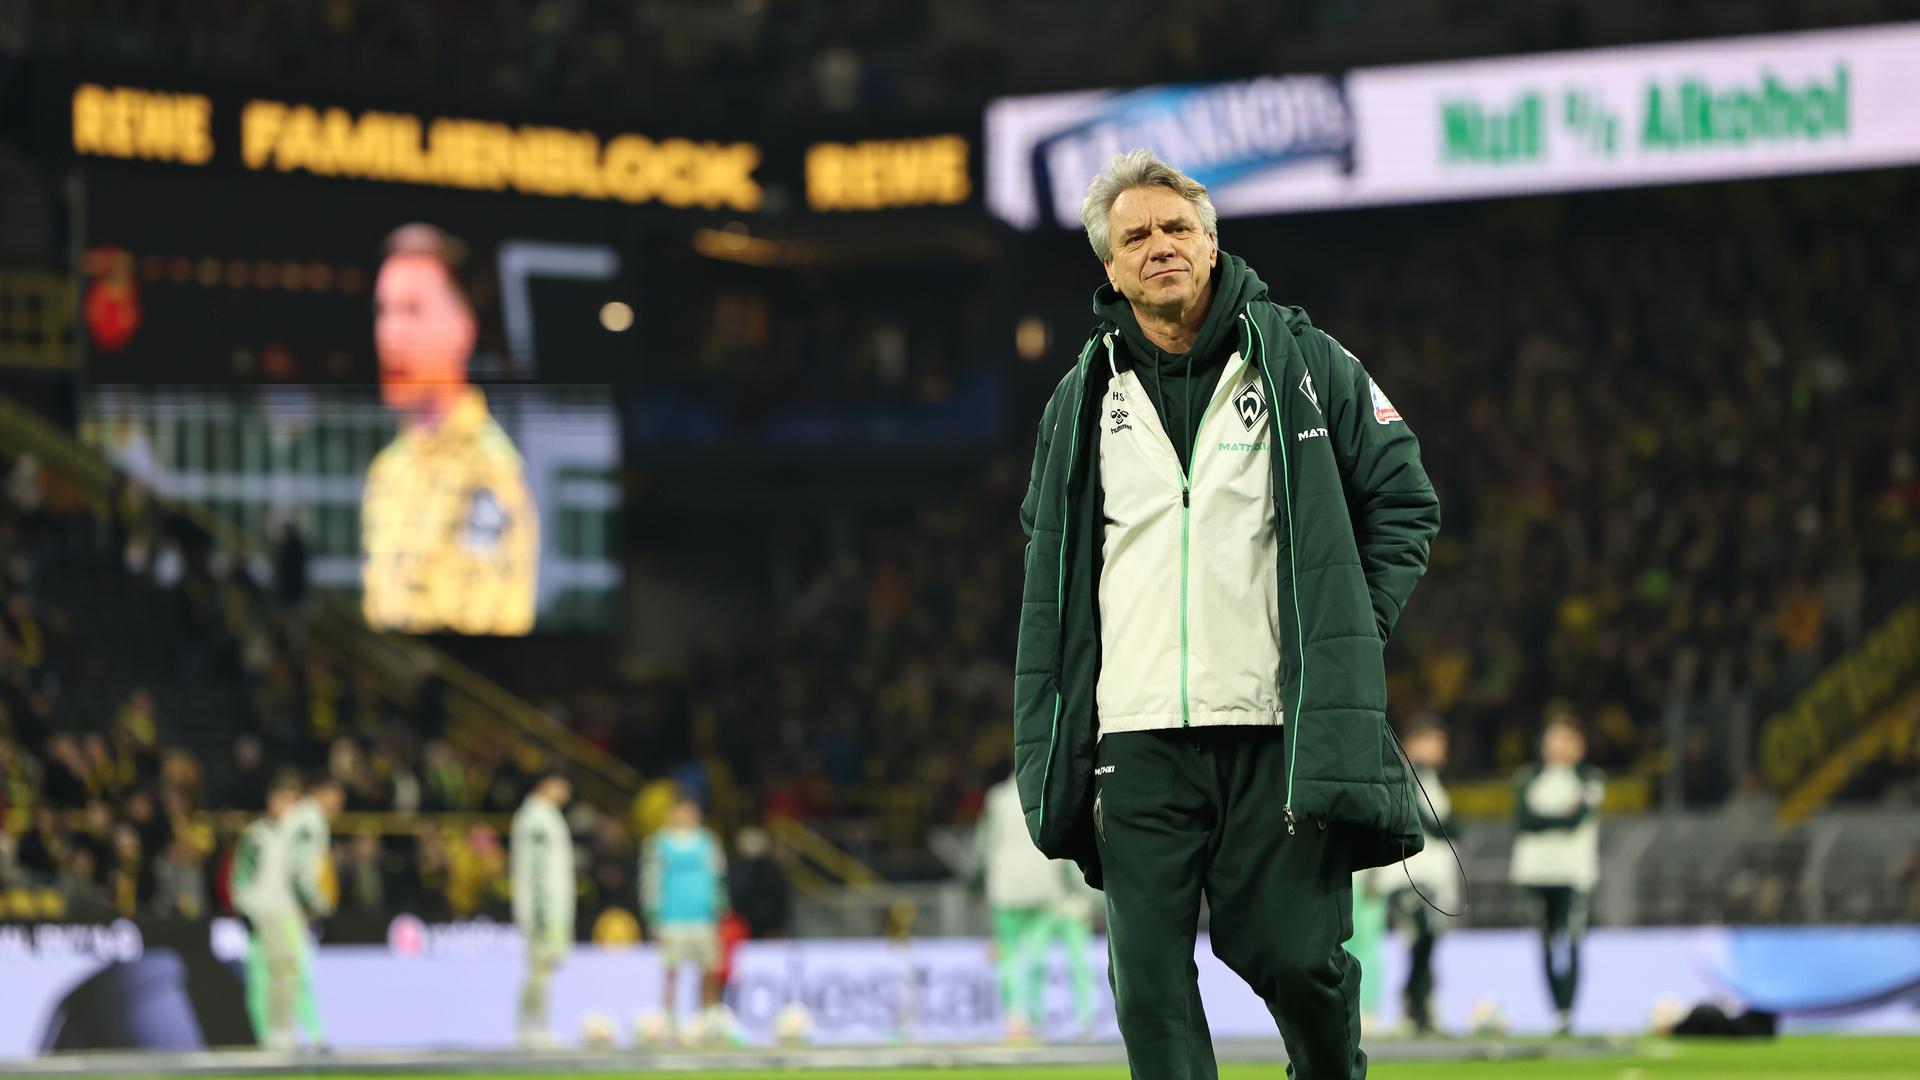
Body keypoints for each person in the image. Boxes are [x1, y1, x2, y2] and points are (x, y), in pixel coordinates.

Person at [1012, 149, 1440, 1080]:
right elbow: (1048, 549)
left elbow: (1405, 500)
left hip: (1274, 727)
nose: (1160, 245)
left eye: (1176, 229)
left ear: (1211, 245)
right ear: (1111, 269)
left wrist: (1348, 632)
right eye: (1137, 237)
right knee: (1150, 990)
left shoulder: (1304, 361)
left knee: (1296, 958)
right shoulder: (1079, 402)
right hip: (1134, 739)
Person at [361, 223, 538, 636]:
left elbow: (482, 629)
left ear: (464, 327)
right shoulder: (387, 470)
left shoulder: (490, 471)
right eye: (382, 311)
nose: (390, 334)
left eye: (412, 310)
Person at [976, 773, 1097, 1040]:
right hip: (1043, 886)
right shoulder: (1048, 791)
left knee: (1009, 955)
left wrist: (975, 882)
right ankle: (1048, 1017)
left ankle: (1017, 1019)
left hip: (1006, 888)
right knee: (1036, 956)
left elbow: (984, 846)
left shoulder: (997, 798)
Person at [1510, 714, 1605, 1036]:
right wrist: (1558, 814)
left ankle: (1568, 1010)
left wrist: (1546, 817)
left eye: (1566, 739)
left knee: (1574, 939)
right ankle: (1556, 1010)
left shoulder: (1591, 778)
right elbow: (1525, 819)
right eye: (1554, 738)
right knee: (1547, 942)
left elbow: (1576, 819)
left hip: (1574, 873)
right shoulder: (1527, 778)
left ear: (1580, 745)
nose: (1559, 746)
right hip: (1535, 873)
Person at [232, 774, 316, 1051]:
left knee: (289, 973)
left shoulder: (294, 835)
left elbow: (301, 871)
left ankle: (284, 1030)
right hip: (265, 909)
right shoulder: (256, 835)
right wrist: (244, 906)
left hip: (288, 910)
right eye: (283, 799)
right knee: (272, 973)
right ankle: (270, 1033)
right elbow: (240, 874)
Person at [1386, 719, 1458, 1034]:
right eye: (1433, 741)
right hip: (1411, 874)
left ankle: (1419, 1005)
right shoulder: (1404, 776)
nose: (1440, 749)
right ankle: (1412, 1002)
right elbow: (1433, 824)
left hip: (1434, 874)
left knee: (1425, 940)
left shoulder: (1431, 779)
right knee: (1421, 936)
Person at [640, 794, 731, 1042]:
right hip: (672, 918)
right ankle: (668, 1023)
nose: (686, 816)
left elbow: (719, 878)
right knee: (671, 972)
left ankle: (710, 1021)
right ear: (672, 813)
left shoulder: (708, 842)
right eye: (681, 811)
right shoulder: (658, 843)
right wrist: (654, 917)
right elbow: (650, 881)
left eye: (691, 811)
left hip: (703, 918)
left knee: (709, 972)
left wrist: (720, 912)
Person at [510, 771, 574, 1048]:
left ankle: (532, 1027)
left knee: (543, 967)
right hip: (542, 906)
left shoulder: (546, 815)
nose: (567, 789)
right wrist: (537, 910)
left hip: (551, 905)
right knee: (539, 965)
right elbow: (533, 867)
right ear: (545, 784)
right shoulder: (535, 819)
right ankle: (532, 1028)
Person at [283, 777, 344, 1049]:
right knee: (298, 972)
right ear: (320, 791)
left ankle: (301, 1035)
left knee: (291, 971)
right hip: (290, 909)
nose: (339, 803)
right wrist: (316, 904)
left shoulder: (301, 817)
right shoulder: (310, 821)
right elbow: (299, 869)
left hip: (284, 906)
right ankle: (309, 1037)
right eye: (335, 795)